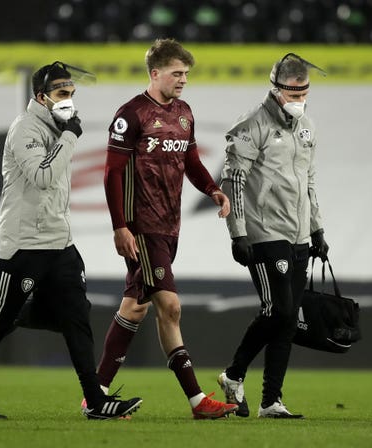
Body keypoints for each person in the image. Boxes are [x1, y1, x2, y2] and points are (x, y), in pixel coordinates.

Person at [0, 61, 142, 420]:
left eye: (72, 93)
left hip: (60, 243)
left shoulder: (56, 127)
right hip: (24, 244)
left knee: (77, 316)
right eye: (61, 94)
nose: (69, 100)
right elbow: (42, 176)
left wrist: (66, 134)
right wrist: (71, 136)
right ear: (41, 98)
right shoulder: (25, 129)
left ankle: (96, 401)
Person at [90, 38, 238, 420]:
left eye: (186, 73)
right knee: (169, 307)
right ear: (155, 73)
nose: (183, 79)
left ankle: (96, 394)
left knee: (135, 307)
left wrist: (212, 189)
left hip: (170, 225)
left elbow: (190, 159)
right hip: (142, 226)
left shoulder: (184, 113)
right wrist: (120, 226)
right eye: (177, 73)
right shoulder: (132, 114)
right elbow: (112, 174)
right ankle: (197, 400)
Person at [216, 53, 330, 419]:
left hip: (298, 235)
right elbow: (233, 179)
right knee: (277, 310)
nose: (298, 99)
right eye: (292, 92)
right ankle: (233, 375)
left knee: (289, 317)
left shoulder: (307, 127)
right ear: (276, 88)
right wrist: (238, 233)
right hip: (265, 233)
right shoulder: (253, 124)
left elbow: (308, 182)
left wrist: (317, 228)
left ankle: (270, 401)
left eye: (303, 91)